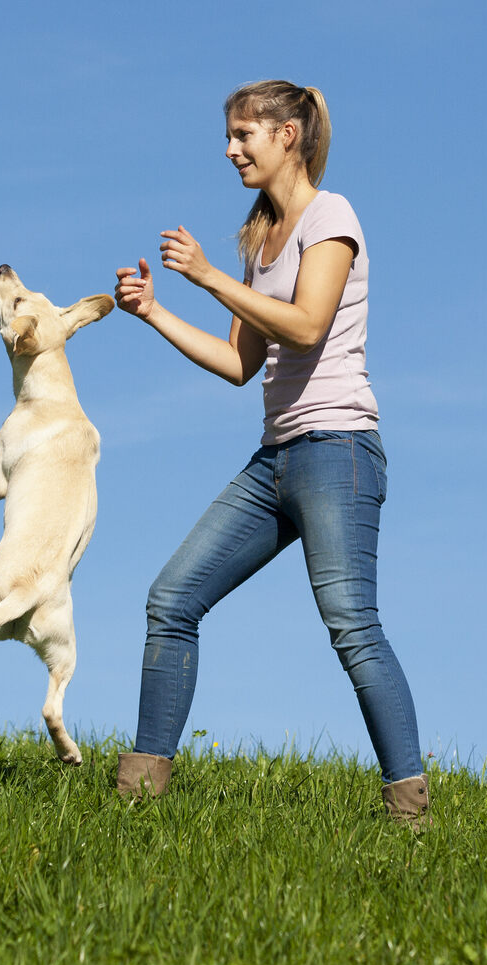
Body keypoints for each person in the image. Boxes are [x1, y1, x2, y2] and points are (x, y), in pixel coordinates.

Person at [111, 80, 429, 824]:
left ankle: (410, 811)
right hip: (275, 460)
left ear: (287, 135)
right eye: (230, 136)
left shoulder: (332, 217)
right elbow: (239, 364)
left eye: (243, 135)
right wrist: (157, 309)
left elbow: (308, 326)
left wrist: (209, 277)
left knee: (352, 624)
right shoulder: (261, 239)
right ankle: (137, 796)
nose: (231, 150)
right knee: (173, 599)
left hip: (338, 451)